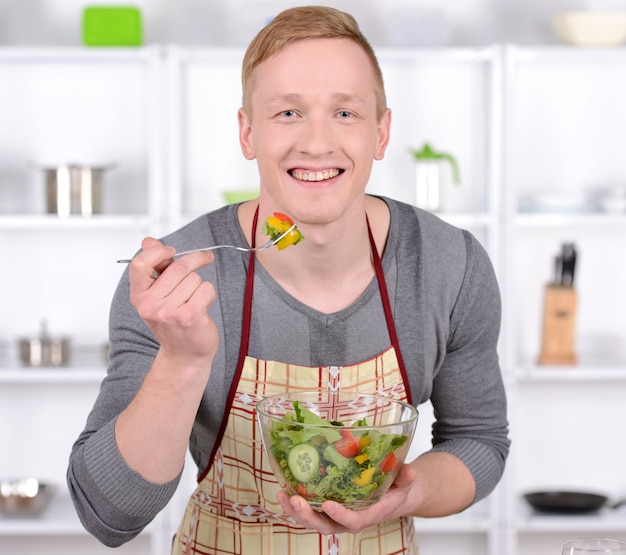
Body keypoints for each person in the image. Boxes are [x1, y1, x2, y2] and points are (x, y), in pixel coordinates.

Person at [67, 5, 510, 554]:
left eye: (345, 113)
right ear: (247, 133)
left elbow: (479, 441)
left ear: (382, 132)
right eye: (288, 113)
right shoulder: (176, 281)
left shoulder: (449, 263)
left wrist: (408, 494)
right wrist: (181, 361)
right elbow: (110, 516)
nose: (318, 143)